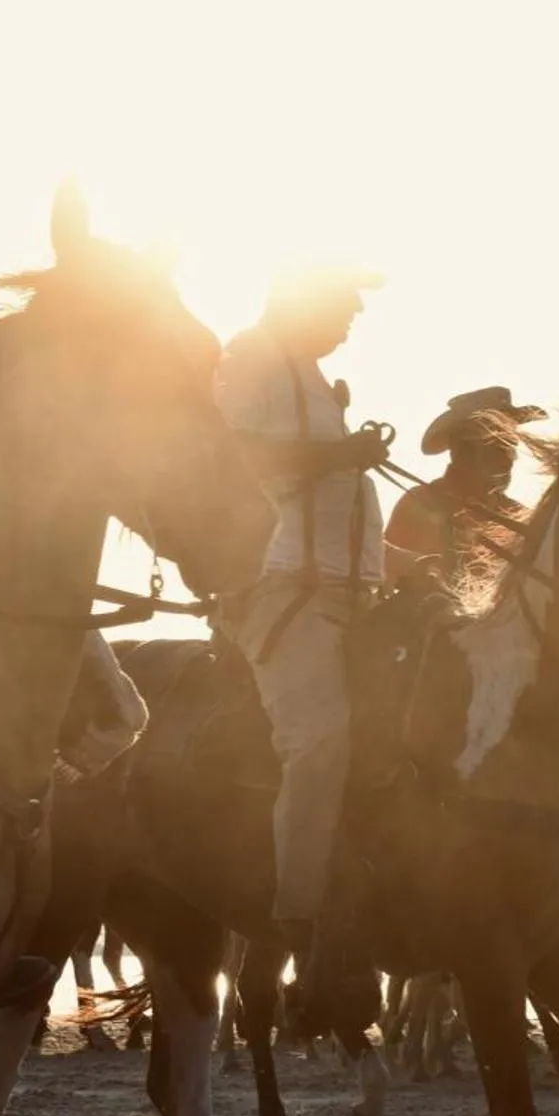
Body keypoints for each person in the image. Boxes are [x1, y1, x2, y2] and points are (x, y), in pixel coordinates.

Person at [210, 265, 390, 1021]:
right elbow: (230, 459)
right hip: (283, 591)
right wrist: (339, 456)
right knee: (321, 740)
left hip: (354, 593)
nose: (351, 320)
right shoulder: (251, 357)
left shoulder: (311, 376)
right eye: (343, 306)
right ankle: (303, 926)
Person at [384, 385, 542, 591]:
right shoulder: (420, 504)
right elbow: (387, 579)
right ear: (461, 451)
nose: (508, 459)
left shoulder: (518, 517)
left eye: (510, 447)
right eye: (497, 446)